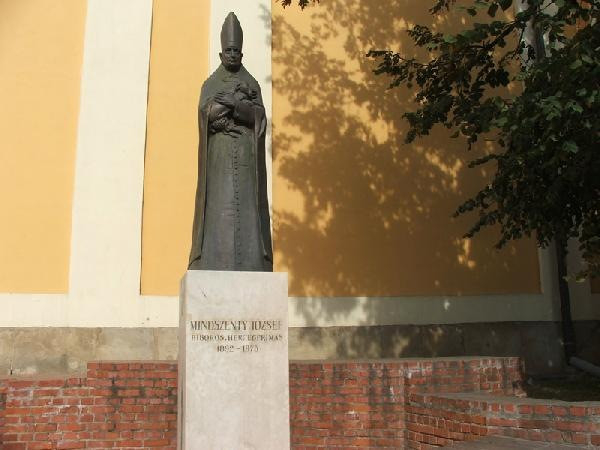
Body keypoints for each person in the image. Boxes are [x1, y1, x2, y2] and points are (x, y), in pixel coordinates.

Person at [188, 12, 273, 271]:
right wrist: (222, 114)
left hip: (246, 158)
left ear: (242, 54)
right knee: (218, 209)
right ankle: (212, 260)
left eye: (236, 51)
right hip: (219, 160)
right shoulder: (210, 84)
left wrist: (234, 104)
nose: (233, 55)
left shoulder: (252, 84)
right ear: (221, 54)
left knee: (247, 209)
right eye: (228, 51)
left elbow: (259, 117)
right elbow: (205, 116)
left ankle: (252, 262)